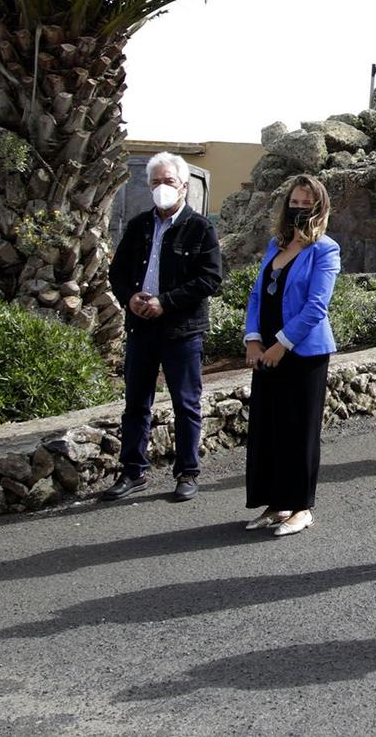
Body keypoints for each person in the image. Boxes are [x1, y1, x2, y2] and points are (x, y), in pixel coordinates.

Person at [102, 152, 223, 503]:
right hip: (141, 328)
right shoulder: (139, 225)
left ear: (183, 186)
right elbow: (118, 272)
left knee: (186, 403)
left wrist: (165, 302)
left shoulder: (201, 228)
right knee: (136, 403)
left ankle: (187, 472)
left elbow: (210, 279)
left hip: (182, 331)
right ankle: (132, 471)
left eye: (168, 181)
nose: (161, 188)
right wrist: (131, 298)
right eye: (155, 182)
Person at [242, 174, 341, 537]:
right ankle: (275, 504)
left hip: (302, 354)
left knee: (299, 432)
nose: (299, 210)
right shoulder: (275, 245)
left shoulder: (325, 250)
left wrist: (282, 344)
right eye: (294, 203)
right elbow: (257, 295)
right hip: (266, 351)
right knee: (268, 429)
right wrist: (253, 339)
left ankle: (301, 507)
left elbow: (317, 306)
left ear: (320, 208)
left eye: (307, 204)